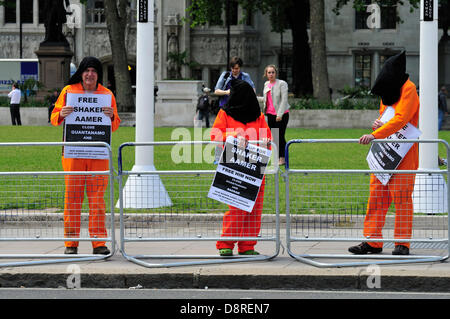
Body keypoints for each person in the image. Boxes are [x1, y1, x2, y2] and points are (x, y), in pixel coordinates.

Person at [348, 51, 419, 256]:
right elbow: (386, 117)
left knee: (402, 197)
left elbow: (402, 118)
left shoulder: (409, 89)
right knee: (376, 196)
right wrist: (377, 126)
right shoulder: (390, 89)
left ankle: (402, 243)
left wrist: (375, 134)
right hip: (385, 150)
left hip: (404, 152)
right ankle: (372, 241)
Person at [51, 56, 121, 255]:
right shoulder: (68, 91)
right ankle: (70, 243)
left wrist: (111, 116)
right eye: (87, 70)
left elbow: (115, 125)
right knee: (72, 198)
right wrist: (62, 113)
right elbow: (54, 118)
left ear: (98, 75)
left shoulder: (107, 95)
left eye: (94, 71)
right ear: (81, 73)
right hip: (73, 155)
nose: (90, 74)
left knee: (97, 199)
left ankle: (99, 243)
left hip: (98, 155)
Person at [210, 79, 272, 256]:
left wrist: (266, 141)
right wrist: (234, 135)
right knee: (236, 207)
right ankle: (226, 244)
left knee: (254, 208)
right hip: (233, 165)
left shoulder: (258, 116)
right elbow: (215, 134)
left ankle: (248, 246)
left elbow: (267, 136)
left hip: (255, 166)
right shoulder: (225, 113)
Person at [260, 65, 290, 165]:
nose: (271, 74)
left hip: (281, 115)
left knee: (281, 136)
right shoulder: (266, 84)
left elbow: (284, 100)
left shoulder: (282, 84)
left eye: (273, 72)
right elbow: (265, 100)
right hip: (270, 114)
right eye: (269, 72)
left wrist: (280, 114)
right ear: (266, 74)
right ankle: (276, 157)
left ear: (276, 73)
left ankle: (283, 158)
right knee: (274, 137)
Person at [438, 86, 448, 166]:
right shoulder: (442, 96)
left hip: (438, 108)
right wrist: (446, 110)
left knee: (439, 119)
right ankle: (439, 128)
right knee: (440, 119)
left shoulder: (439, 94)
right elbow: (444, 103)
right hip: (441, 108)